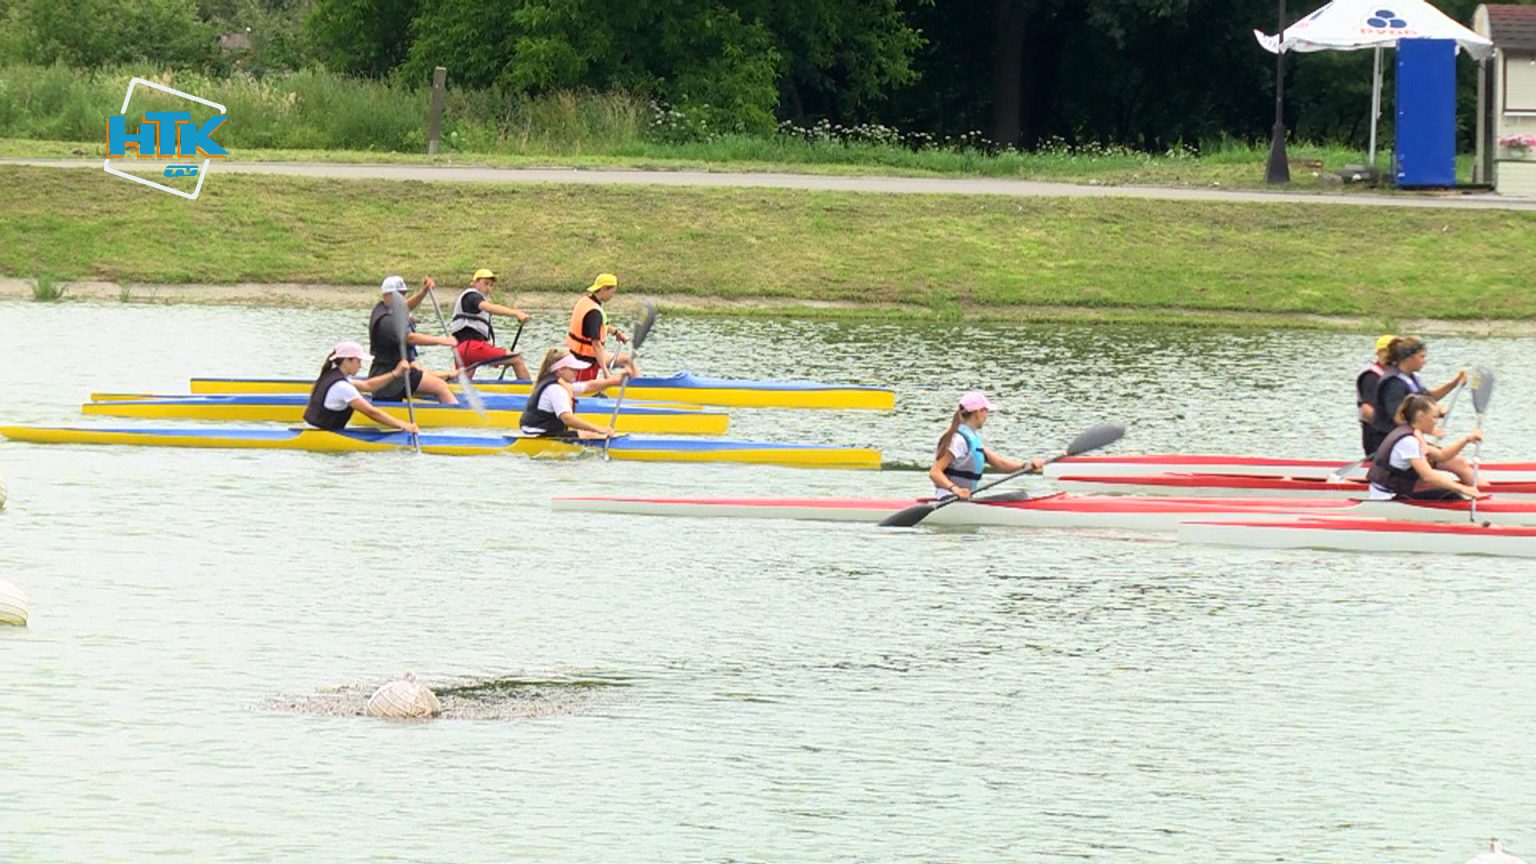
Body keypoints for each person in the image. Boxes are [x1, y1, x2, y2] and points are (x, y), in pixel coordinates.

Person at [927, 391, 1045, 499]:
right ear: (978, 412)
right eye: (986, 411)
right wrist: (955, 489)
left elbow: (1000, 464)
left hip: (962, 498)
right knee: (1020, 497)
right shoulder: (958, 440)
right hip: (949, 498)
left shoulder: (972, 438)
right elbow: (935, 472)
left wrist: (1026, 465)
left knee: (1020, 495)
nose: (987, 415)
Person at [1366, 395, 1485, 501]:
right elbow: (1428, 476)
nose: (1436, 422)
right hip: (1387, 497)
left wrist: (1467, 439)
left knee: (1443, 488)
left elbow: (1442, 455)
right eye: (1434, 417)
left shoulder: (1407, 432)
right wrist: (1463, 489)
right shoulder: (1409, 441)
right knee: (1449, 494)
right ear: (1421, 416)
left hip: (1390, 492)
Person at [368, 276, 459, 404]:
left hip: (399, 372)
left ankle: (447, 392)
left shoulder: (389, 308)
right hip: (391, 380)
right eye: (399, 294)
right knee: (440, 386)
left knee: (428, 376)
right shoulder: (386, 321)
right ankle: (456, 416)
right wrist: (442, 340)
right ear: (387, 295)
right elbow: (410, 337)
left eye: (403, 294)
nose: (402, 297)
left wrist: (424, 292)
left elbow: (406, 307)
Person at [302, 341, 421, 434]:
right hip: (322, 433)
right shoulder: (342, 387)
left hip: (314, 428)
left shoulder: (332, 374)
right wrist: (403, 425)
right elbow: (371, 412)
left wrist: (395, 374)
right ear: (346, 360)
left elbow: (367, 386)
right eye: (358, 361)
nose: (360, 366)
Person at [1370, 335, 1465, 448]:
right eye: (1422, 357)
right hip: (1387, 441)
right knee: (1453, 460)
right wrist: (1430, 430)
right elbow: (1399, 418)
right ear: (1409, 358)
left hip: (1407, 438)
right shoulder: (1393, 383)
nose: (1424, 361)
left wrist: (1454, 383)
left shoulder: (1411, 377)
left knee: (1448, 457)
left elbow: (1428, 397)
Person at [518, 348, 627, 438]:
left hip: (535, 431)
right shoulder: (555, 389)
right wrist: (600, 429)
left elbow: (589, 386)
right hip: (538, 435)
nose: (577, 371)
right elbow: (567, 419)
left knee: (591, 434)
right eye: (573, 369)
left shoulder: (560, 383)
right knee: (595, 436)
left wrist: (618, 380)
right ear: (560, 370)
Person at [449, 268, 531, 380]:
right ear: (475, 282)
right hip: (472, 348)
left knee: (461, 382)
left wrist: (496, 359)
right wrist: (516, 313)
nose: (488, 288)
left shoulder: (471, 304)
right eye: (486, 283)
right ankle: (531, 395)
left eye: (491, 285)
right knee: (517, 359)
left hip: (461, 351)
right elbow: (489, 307)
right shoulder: (472, 296)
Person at [564, 272, 637, 384]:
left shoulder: (586, 301)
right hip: (585, 362)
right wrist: (605, 371)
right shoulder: (594, 312)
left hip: (582, 355)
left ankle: (636, 384)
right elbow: (596, 345)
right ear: (603, 289)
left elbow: (597, 327)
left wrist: (616, 333)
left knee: (626, 360)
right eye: (612, 292)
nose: (613, 296)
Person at [1356, 333, 1395, 457]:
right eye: (1392, 351)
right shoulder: (1371, 376)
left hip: (1392, 433)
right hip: (1376, 435)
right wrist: (1393, 428)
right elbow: (1368, 411)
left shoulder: (1394, 374)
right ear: (1381, 352)